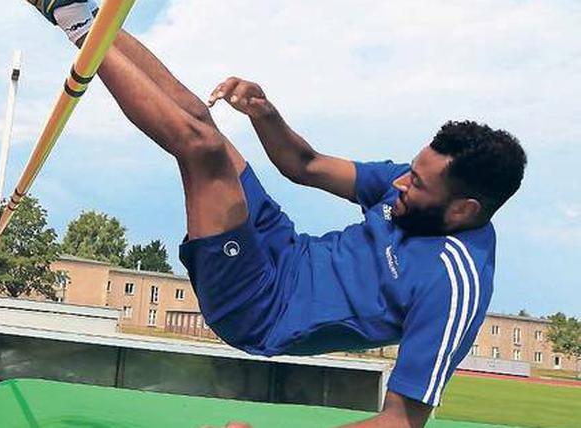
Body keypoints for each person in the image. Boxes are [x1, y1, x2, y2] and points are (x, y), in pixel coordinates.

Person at [26, 1, 527, 427]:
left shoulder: (455, 285)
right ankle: (78, 11)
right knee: (203, 121)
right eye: (411, 169)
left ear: (464, 210)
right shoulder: (413, 188)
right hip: (282, 244)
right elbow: (304, 165)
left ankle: (76, 27)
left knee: (201, 149)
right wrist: (266, 115)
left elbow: (400, 421)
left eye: (416, 182)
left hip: (261, 307)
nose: (400, 181)